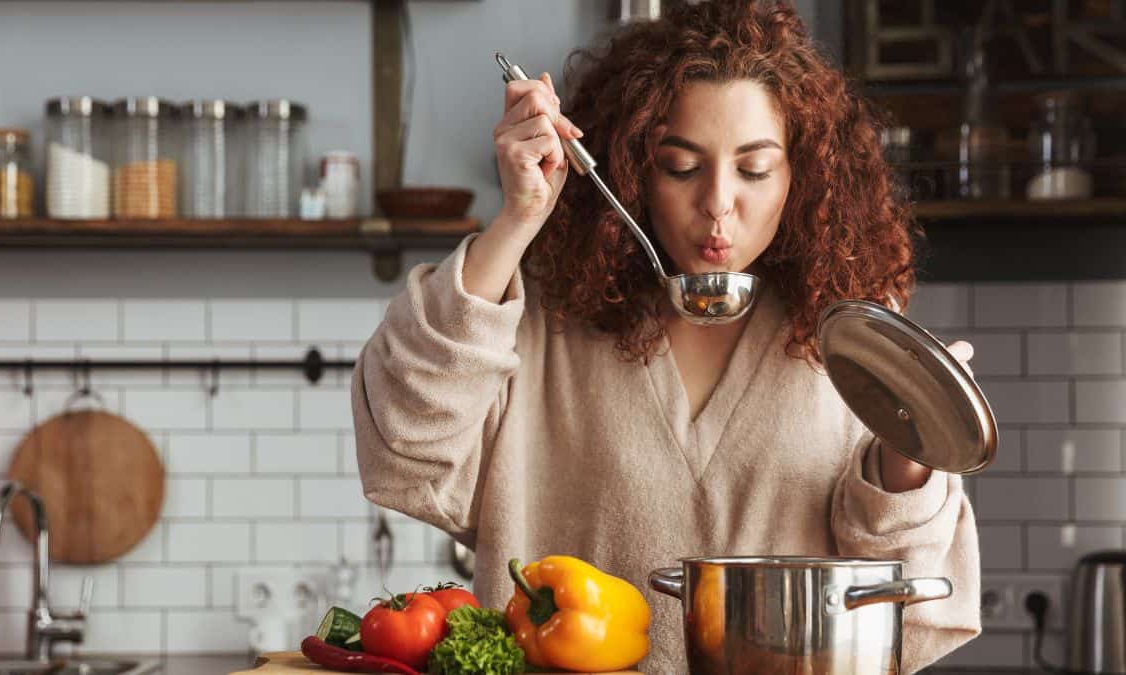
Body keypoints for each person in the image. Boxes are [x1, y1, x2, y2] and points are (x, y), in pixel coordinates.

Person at [351, 1, 980, 671]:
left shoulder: (856, 341)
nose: (717, 202)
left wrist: (911, 449)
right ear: (631, 171)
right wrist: (516, 221)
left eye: (755, 170)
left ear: (803, 178)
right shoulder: (541, 322)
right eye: (681, 167)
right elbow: (406, 448)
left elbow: (901, 603)